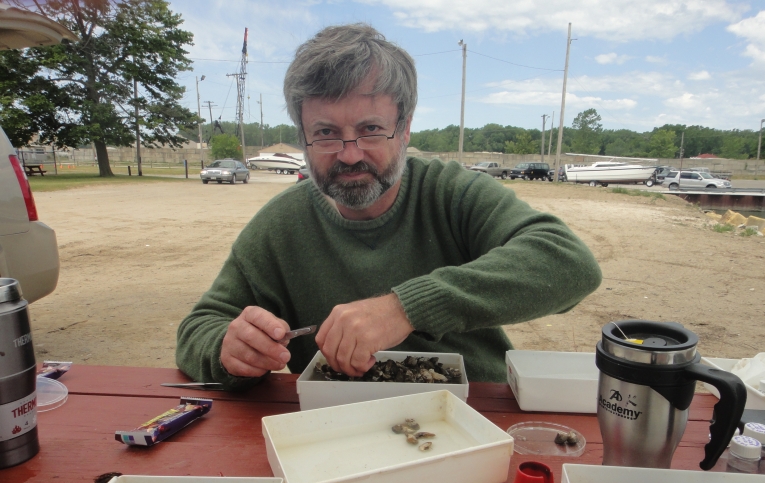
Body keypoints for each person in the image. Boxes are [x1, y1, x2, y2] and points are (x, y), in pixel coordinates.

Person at [176, 23, 602, 389]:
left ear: (404, 128)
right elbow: (200, 327)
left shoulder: (453, 193)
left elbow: (569, 264)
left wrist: (407, 308)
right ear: (303, 135)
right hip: (336, 429)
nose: (349, 153)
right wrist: (227, 349)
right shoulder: (280, 226)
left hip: (477, 416)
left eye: (371, 129)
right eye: (325, 133)